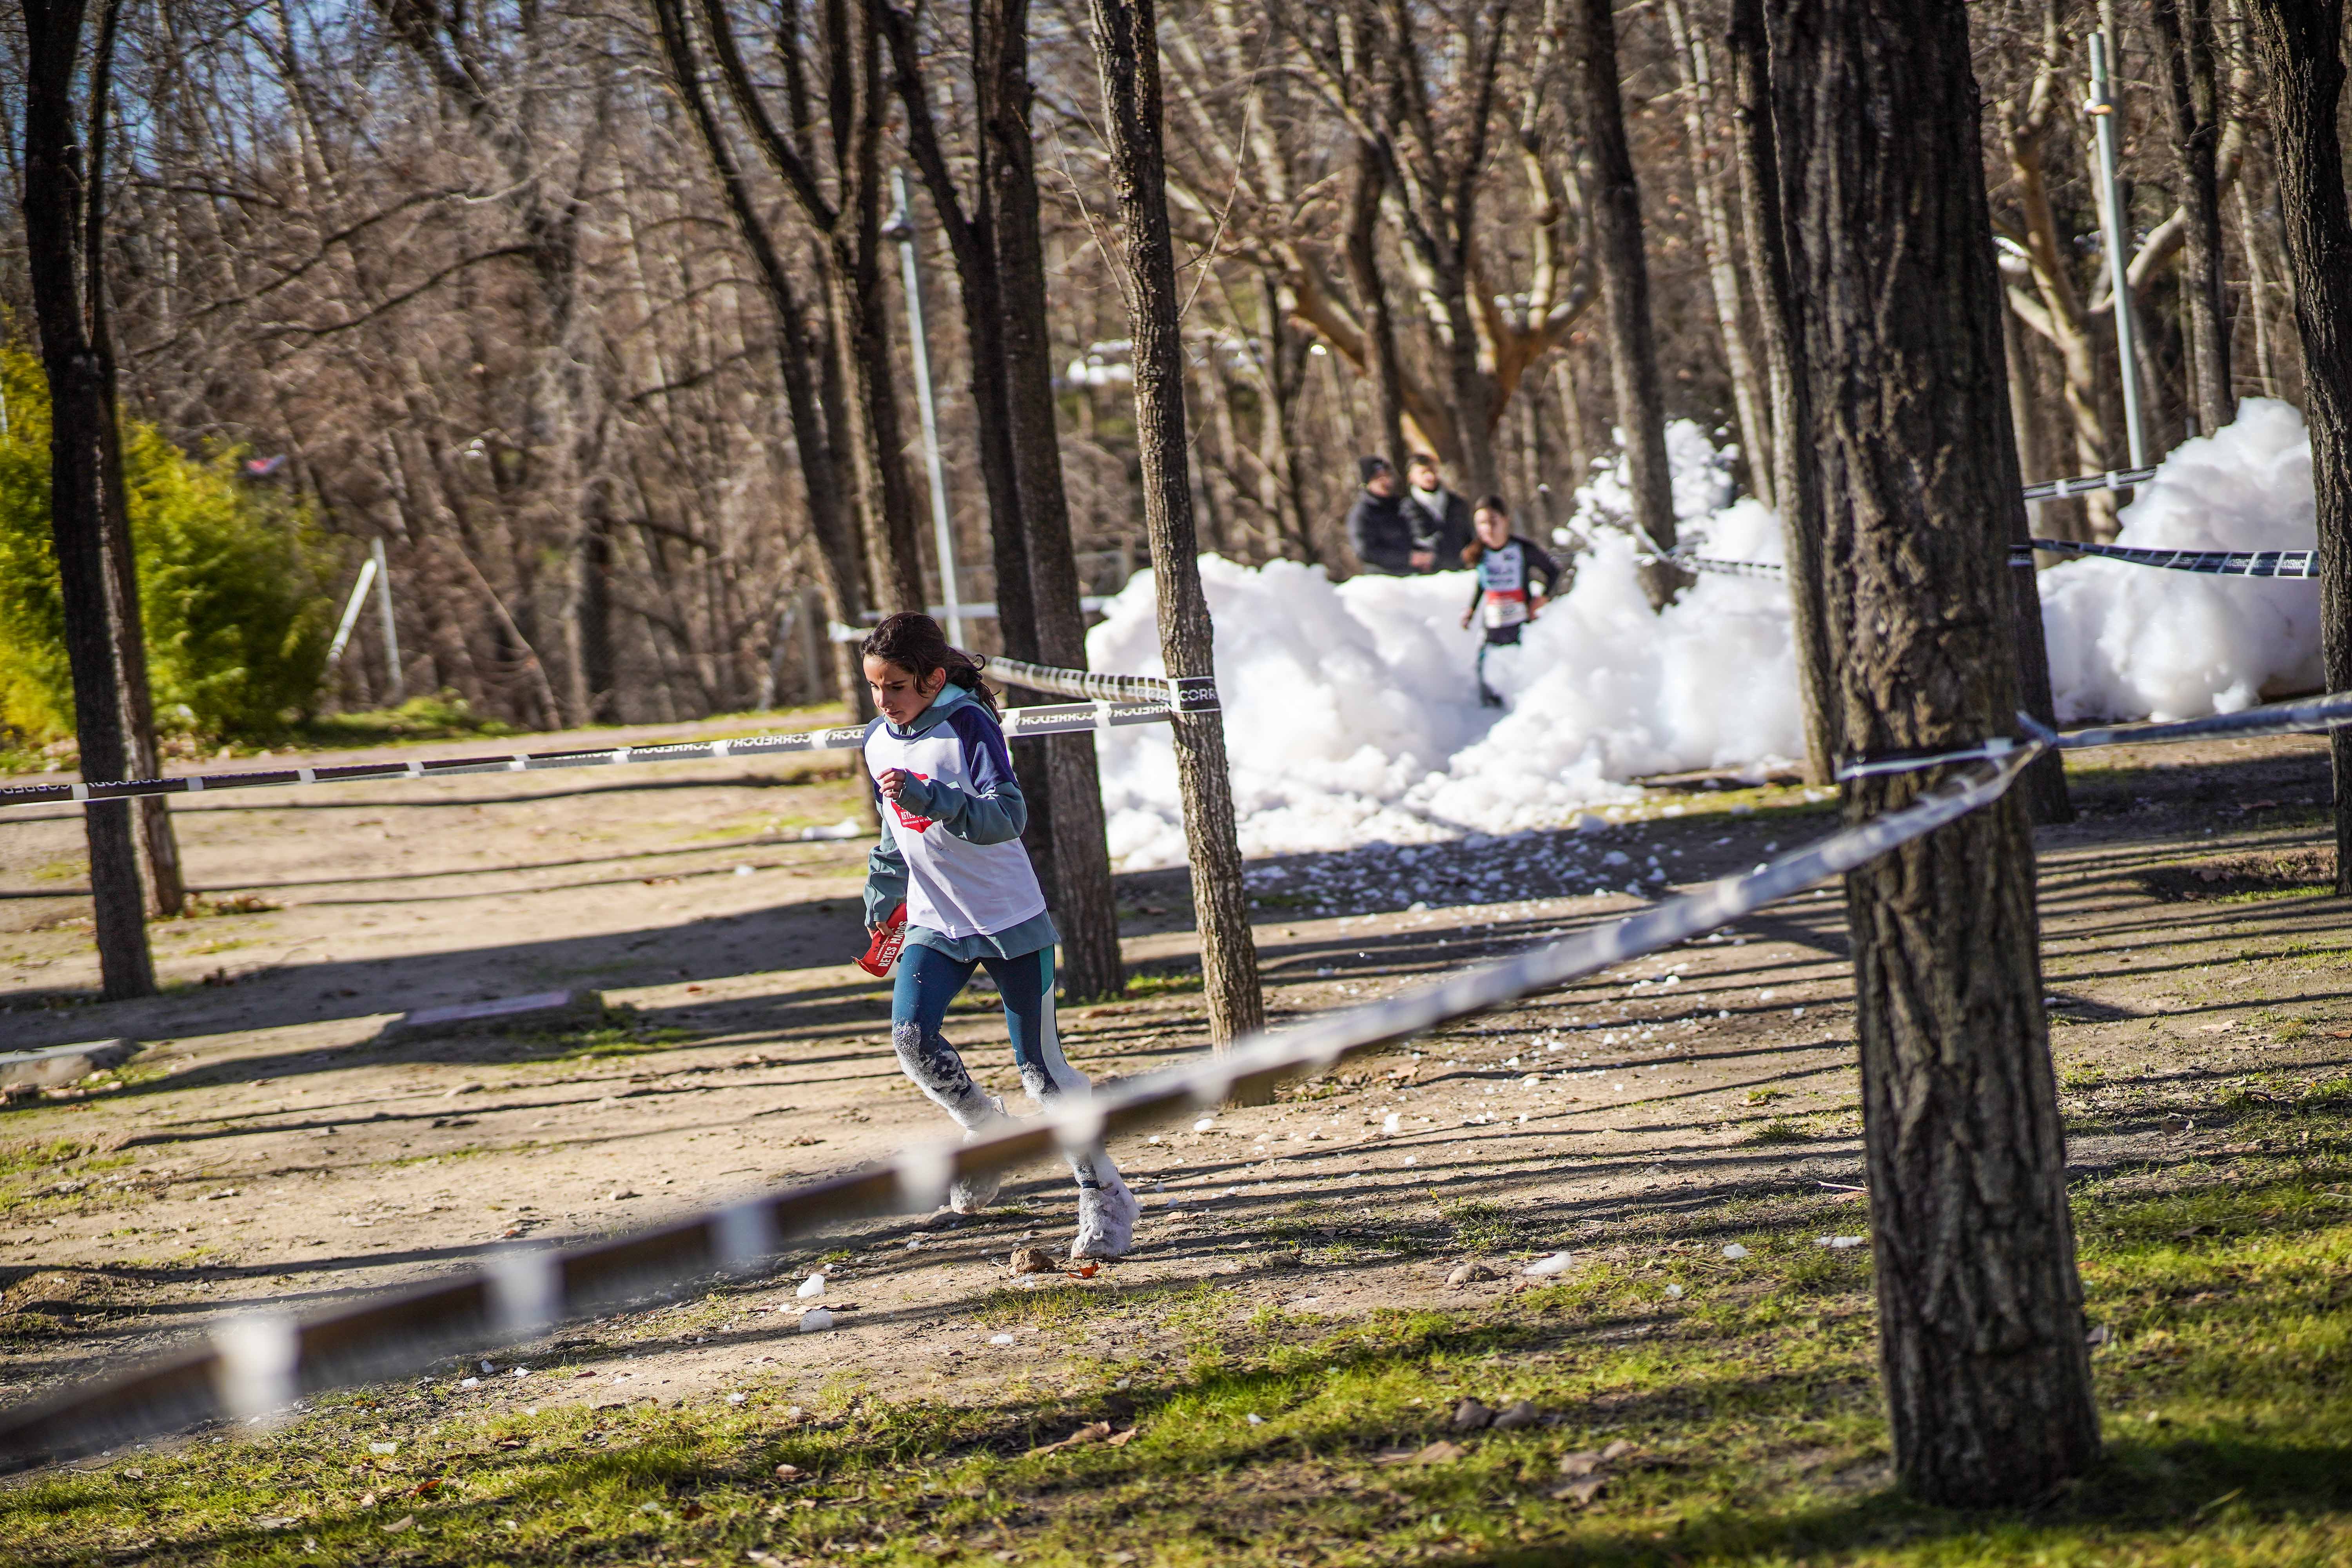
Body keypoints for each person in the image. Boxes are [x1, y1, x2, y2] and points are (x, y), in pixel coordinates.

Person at [859, 612, 1140, 1259]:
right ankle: (987, 1135)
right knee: (911, 1040)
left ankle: (1106, 1198)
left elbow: (1007, 817)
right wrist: (882, 892)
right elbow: (889, 832)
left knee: (1043, 1075)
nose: (884, 701)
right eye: (875, 687)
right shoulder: (878, 739)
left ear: (932, 680)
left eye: (896, 686)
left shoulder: (968, 726)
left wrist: (937, 801)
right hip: (936, 920)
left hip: (1009, 919)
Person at [1457, 495, 1560, 708]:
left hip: (1521, 625)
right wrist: (1471, 609)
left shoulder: (1521, 549)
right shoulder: (1480, 552)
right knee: (1486, 670)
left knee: (1523, 673)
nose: (1488, 529)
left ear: (1506, 520)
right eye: (1481, 523)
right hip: (1494, 624)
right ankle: (1489, 710)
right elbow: (1483, 584)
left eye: (1493, 521)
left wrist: (1543, 598)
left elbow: (1553, 571)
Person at [1345, 456, 1434, 575]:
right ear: (1367, 483)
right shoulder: (1362, 513)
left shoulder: (1402, 506)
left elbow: (1418, 536)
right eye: (1378, 478)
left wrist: (1424, 554)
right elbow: (1365, 551)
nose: (1385, 481)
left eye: (1387, 476)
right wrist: (1407, 558)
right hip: (1383, 580)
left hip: (1414, 576)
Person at [1404, 453, 1475, 567]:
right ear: (1411, 476)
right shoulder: (1405, 509)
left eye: (1432, 471)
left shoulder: (1457, 503)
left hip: (1459, 571)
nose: (1430, 477)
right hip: (1425, 576)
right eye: (1423, 473)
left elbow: (1469, 536)